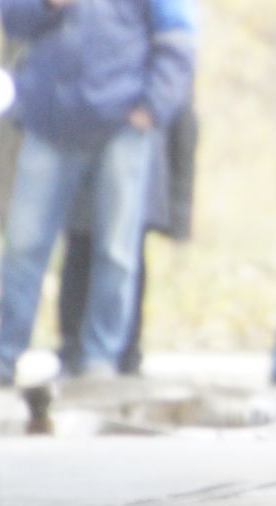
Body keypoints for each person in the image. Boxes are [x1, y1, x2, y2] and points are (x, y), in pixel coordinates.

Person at [0, 0, 197, 388]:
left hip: (124, 125)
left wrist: (152, 107)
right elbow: (12, 18)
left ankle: (100, 357)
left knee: (116, 248)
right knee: (25, 243)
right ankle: (4, 356)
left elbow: (177, 43)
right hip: (50, 122)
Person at [56, 95, 197, 376]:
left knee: (124, 254)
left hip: (140, 144)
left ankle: (124, 351)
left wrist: (180, 211)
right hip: (83, 134)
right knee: (82, 247)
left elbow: (184, 127)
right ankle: (74, 349)